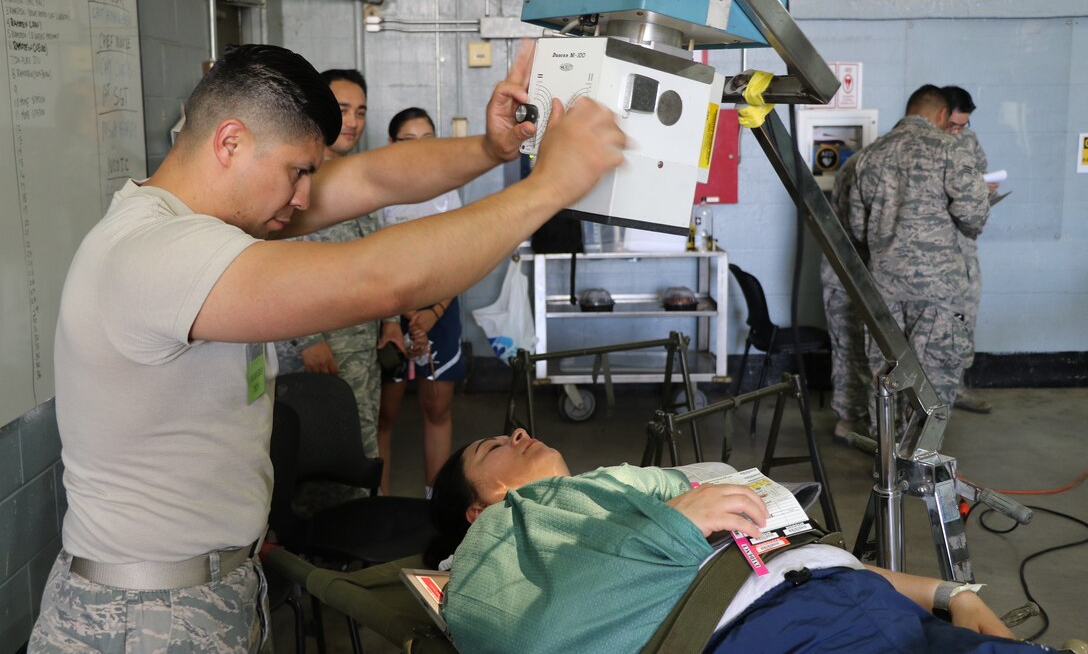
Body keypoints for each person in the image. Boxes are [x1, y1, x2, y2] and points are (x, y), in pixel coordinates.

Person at [29, 42, 626, 652]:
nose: (304, 198)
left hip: (206, 589)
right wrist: (549, 184)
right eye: (297, 172)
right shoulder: (154, 253)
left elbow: (371, 177)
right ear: (229, 142)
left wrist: (490, 150)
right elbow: (380, 279)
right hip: (143, 616)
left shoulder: (210, 225)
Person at [427, 430, 1039, 653]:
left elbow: (787, 557)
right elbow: (527, 636)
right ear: (479, 505)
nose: (518, 431)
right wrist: (671, 529)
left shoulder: (625, 487)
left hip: (859, 597)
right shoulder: (499, 541)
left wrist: (952, 592)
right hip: (779, 630)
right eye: (493, 447)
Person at [275, 70, 401, 486]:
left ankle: (359, 537)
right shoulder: (292, 180)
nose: (353, 121)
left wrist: (391, 322)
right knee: (316, 464)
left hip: (361, 350)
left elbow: (381, 259)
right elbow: (274, 266)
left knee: (362, 452)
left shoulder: (358, 181)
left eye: (360, 111)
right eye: (342, 109)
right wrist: (305, 340)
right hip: (317, 355)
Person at [848, 85, 990, 431]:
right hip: (938, 288)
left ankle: (887, 460)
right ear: (942, 115)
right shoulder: (950, 150)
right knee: (935, 373)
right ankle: (922, 458)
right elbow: (974, 214)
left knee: (886, 371)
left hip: (883, 287)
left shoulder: (869, 155)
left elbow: (855, 226)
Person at [376, 108, 464, 496]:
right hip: (388, 313)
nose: (419, 150)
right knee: (383, 415)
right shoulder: (378, 192)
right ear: (392, 145)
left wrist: (432, 314)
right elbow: (374, 262)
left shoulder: (449, 189)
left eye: (428, 139)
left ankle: (435, 502)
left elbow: (462, 259)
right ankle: (378, 506)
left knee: (437, 410)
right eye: (408, 141)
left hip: (440, 314)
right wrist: (409, 315)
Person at [942, 85, 999, 415]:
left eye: (963, 126)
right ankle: (927, 395)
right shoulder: (923, 146)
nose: (958, 131)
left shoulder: (968, 142)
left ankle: (957, 387)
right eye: (953, 125)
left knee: (966, 312)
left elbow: (979, 177)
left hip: (963, 242)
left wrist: (985, 189)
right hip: (927, 250)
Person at [819, 154, 872, 442]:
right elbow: (860, 226)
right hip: (847, 272)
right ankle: (849, 420)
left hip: (856, 272)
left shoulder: (861, 162)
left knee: (854, 350)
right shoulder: (863, 166)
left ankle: (857, 418)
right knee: (850, 350)